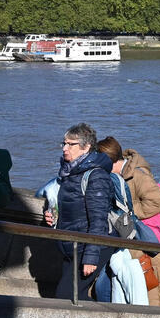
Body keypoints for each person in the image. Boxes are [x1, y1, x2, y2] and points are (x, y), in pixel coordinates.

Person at [95, 137, 160, 307]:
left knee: (157, 296)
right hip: (141, 242)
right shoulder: (122, 174)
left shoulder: (136, 175)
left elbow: (158, 201)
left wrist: (130, 212)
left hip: (149, 243)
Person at [44, 123, 116, 301]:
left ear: (86, 147)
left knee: (67, 296)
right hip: (72, 244)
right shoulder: (70, 172)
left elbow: (98, 219)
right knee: (77, 296)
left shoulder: (96, 176)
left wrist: (91, 257)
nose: (65, 148)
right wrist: (53, 215)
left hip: (88, 246)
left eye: (71, 144)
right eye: (64, 143)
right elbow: (71, 206)